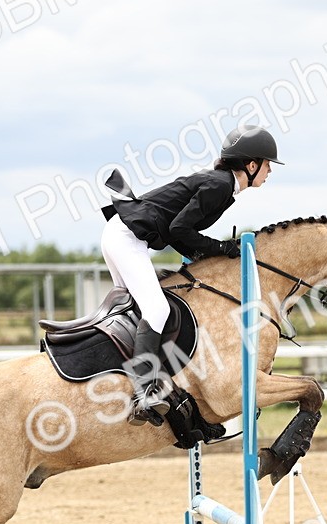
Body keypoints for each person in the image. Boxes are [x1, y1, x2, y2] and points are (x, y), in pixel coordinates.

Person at [100, 124, 282, 426]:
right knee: (156, 309)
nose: (269, 172)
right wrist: (220, 248)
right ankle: (143, 394)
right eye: (267, 165)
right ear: (251, 165)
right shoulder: (220, 186)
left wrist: (208, 254)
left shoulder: (221, 184)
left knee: (136, 310)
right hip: (126, 236)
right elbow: (179, 230)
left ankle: (120, 377)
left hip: (122, 233)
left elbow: (179, 233)